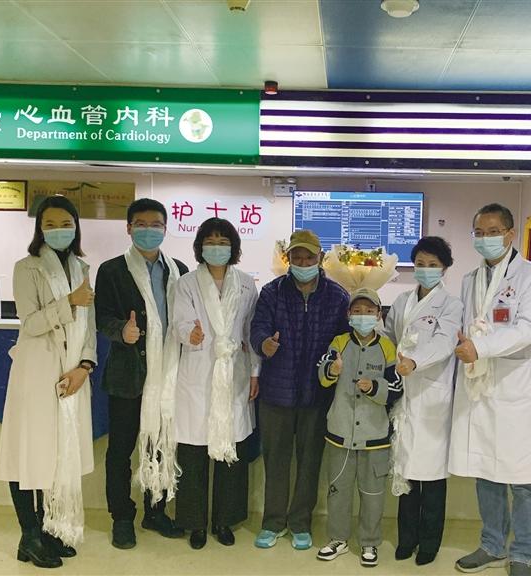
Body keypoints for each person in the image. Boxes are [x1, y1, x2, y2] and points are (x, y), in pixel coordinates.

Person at [0, 195, 96, 569]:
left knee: (58, 454)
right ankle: (30, 535)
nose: (58, 230)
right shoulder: (27, 268)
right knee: (29, 453)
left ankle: (50, 529)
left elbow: (89, 328)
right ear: (39, 229)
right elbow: (32, 323)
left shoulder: (82, 267)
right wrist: (70, 301)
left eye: (65, 223)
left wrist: (85, 366)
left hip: (72, 376)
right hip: (37, 375)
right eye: (49, 224)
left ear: (76, 227)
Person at [450, 203, 531, 576]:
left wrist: (481, 347)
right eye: (479, 232)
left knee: (523, 479)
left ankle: (522, 553)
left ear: (510, 234)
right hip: (480, 387)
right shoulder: (469, 279)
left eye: (494, 232)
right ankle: (492, 544)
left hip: (515, 388)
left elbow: (527, 330)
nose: (486, 238)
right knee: (486, 471)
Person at [95, 198, 188, 549]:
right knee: (121, 451)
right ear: (129, 228)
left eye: (156, 224)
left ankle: (156, 511)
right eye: (141, 224)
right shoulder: (111, 270)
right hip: (128, 375)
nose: (149, 230)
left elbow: (183, 316)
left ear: (165, 228)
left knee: (160, 447)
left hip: (167, 375)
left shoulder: (178, 269)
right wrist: (122, 331)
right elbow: (101, 316)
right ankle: (122, 517)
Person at [250, 229, 350, 550]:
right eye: (297, 257)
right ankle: (272, 523)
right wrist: (264, 344)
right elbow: (258, 329)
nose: (303, 263)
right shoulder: (272, 292)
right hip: (276, 394)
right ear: (288, 258)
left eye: (309, 257)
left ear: (320, 258)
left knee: (309, 463)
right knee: (276, 461)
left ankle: (300, 523)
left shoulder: (337, 296)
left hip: (317, 395)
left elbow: (344, 340)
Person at [171, 218, 260, 550]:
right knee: (193, 453)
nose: (217, 247)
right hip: (197, 374)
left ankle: (225, 520)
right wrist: (189, 333)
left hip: (234, 373)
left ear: (233, 247)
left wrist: (255, 372)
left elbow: (251, 331)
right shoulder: (186, 283)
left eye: (223, 242)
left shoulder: (247, 284)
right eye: (210, 241)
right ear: (200, 246)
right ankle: (195, 523)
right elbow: (179, 322)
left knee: (231, 451)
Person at [383, 236, 463, 566]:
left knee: (431, 476)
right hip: (404, 394)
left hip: (432, 397)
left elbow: (444, 344)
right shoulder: (402, 300)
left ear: (444, 268)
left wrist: (415, 362)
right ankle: (406, 538)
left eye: (433, 265)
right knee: (405, 470)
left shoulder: (451, 305)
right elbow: (389, 337)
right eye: (420, 264)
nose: (426, 269)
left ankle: (429, 542)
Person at [316, 287, 402, 568]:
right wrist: (332, 371)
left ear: (378, 315)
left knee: (372, 493)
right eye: (357, 311)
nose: (363, 315)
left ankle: (369, 542)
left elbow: (396, 388)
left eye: (369, 311)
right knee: (338, 490)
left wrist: (375, 387)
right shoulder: (339, 342)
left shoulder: (387, 347)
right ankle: (337, 539)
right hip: (340, 433)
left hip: (375, 436)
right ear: (348, 314)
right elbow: (322, 375)